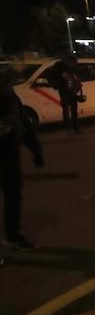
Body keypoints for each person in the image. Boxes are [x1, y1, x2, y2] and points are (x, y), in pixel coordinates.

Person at [0, 69, 44, 250]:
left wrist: (36, 150)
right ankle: (12, 236)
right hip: (6, 154)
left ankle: (12, 236)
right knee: (12, 197)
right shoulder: (8, 98)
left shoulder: (10, 98)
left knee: (13, 197)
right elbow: (20, 124)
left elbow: (21, 124)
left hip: (9, 154)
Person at [55, 55, 84, 133]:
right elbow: (64, 78)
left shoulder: (72, 69)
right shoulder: (60, 67)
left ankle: (73, 127)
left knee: (72, 110)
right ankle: (70, 128)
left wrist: (77, 85)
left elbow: (76, 78)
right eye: (73, 63)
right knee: (67, 110)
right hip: (65, 91)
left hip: (71, 91)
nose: (74, 64)